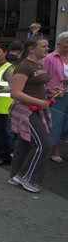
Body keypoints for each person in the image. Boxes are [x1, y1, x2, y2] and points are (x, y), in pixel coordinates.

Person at [9, 36, 62, 192]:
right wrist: (40, 102)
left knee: (25, 143)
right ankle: (26, 177)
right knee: (44, 145)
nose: (48, 49)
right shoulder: (24, 66)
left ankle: (15, 176)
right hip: (27, 111)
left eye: (47, 46)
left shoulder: (37, 64)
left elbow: (32, 86)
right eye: (44, 46)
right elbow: (15, 93)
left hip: (36, 109)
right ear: (32, 49)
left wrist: (48, 90)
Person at [41, 31, 68, 163]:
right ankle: (54, 149)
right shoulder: (49, 58)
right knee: (56, 123)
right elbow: (42, 78)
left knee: (66, 125)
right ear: (59, 43)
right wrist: (47, 92)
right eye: (67, 41)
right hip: (56, 95)